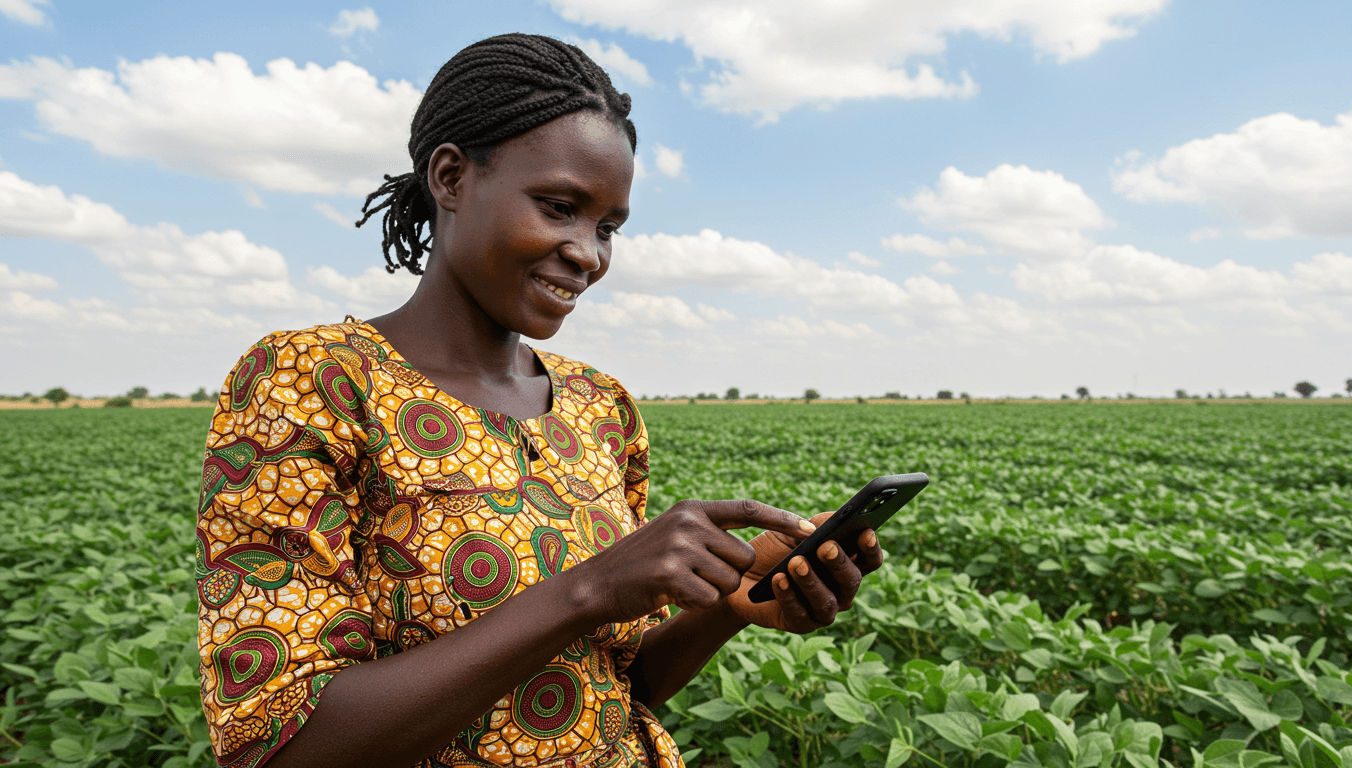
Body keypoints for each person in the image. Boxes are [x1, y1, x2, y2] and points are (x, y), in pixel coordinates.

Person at [196, 33, 884, 768]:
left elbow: (610, 686)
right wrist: (588, 588)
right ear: (451, 177)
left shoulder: (600, 405)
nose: (588, 253)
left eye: (608, 227)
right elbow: (275, 748)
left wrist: (727, 610)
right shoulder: (314, 381)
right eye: (559, 207)